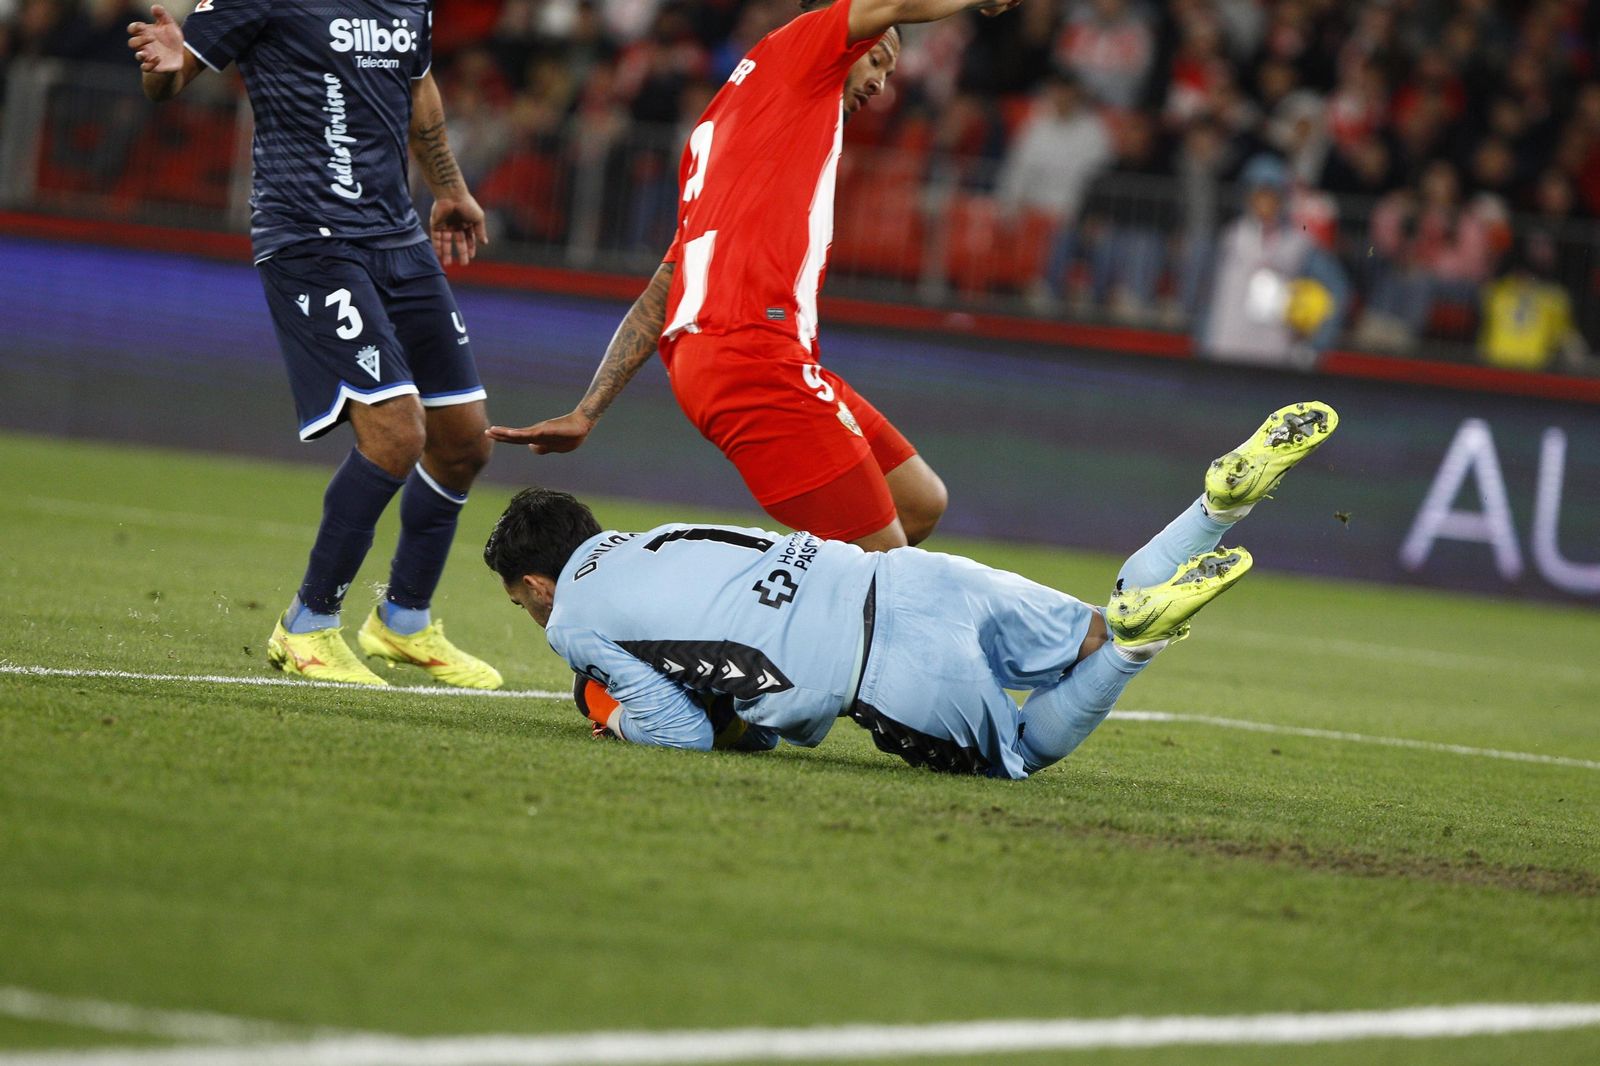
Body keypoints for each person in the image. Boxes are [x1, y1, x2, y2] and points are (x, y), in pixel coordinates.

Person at [485, 402, 1339, 778]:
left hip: (878, 666)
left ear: (535, 584)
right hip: (903, 575)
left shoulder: (575, 621)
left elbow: (681, 734)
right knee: (1088, 625)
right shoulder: (653, 534)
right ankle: (1216, 505)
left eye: (522, 603)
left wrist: (618, 719)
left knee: (1022, 753)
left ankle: (1139, 644)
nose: (531, 616)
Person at [487, 0, 1026, 551]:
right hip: (751, 354)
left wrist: (587, 411)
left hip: (735, 353)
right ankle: (733, 615)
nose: (882, 85)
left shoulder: (734, 122)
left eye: (890, 73)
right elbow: (889, 5)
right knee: (886, 572)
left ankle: (794, 603)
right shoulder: (798, 51)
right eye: (877, 60)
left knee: (919, 502)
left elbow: (667, 284)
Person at [127, 3, 501, 688]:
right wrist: (165, 65)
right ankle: (306, 625)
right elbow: (175, 73)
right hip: (310, 239)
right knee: (395, 434)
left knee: (466, 441)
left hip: (398, 237)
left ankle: (404, 622)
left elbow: (418, 84)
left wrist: (450, 188)